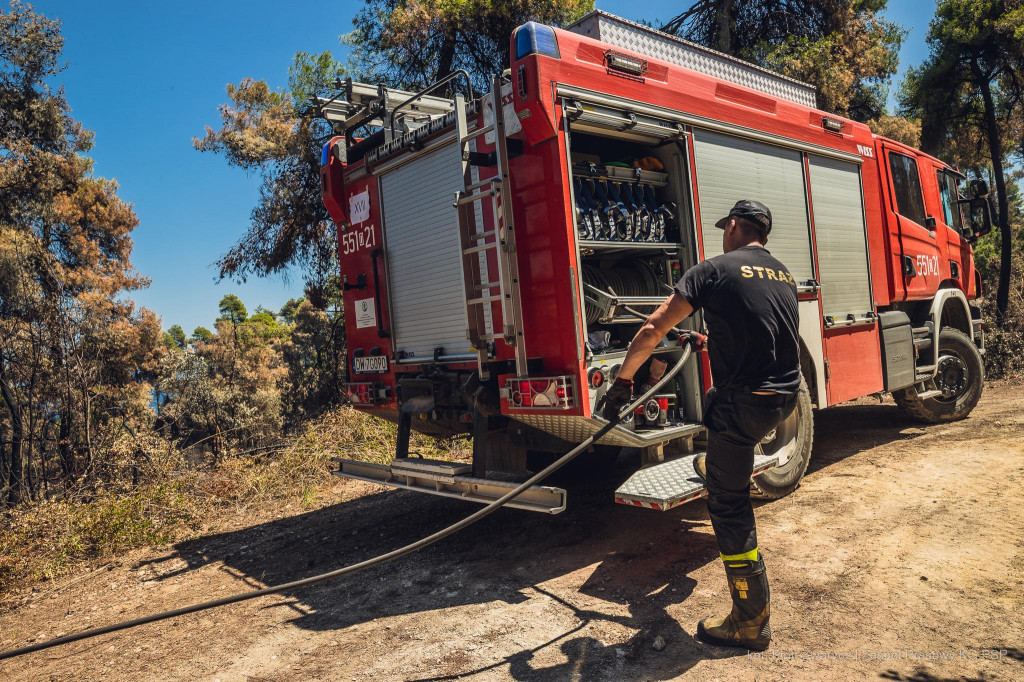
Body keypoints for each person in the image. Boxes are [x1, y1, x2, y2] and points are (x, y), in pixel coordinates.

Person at [599, 199, 800, 651]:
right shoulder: (782, 274)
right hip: (781, 400)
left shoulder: (713, 270)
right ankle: (718, 465)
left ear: (733, 226)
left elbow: (651, 330)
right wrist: (708, 338)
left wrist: (622, 384)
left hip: (744, 406)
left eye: (725, 227)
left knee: (728, 506)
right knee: (713, 406)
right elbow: (761, 329)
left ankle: (750, 621)